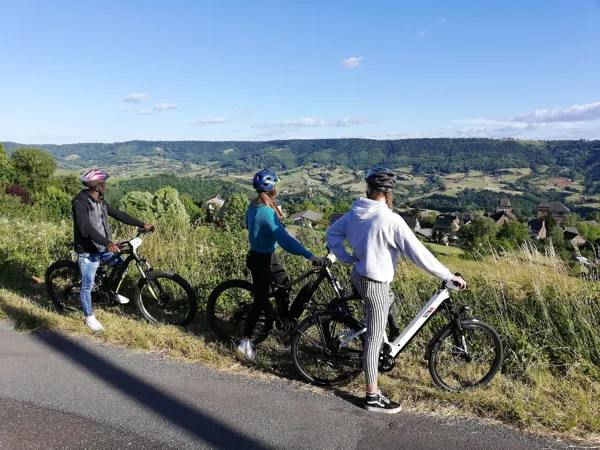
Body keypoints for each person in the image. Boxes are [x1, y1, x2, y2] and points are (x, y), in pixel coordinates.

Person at [326, 167, 466, 414]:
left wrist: (345, 257)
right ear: (389, 193)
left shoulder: (354, 213)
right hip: (376, 283)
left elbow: (332, 232)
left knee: (387, 305)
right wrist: (446, 275)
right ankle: (372, 396)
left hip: (358, 275)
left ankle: (378, 333)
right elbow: (418, 254)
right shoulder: (390, 220)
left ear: (369, 190)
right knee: (372, 339)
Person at [239, 169, 325, 360]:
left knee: (284, 287)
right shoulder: (266, 212)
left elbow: (250, 224)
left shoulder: (254, 205)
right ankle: (245, 342)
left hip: (266, 256)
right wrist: (309, 256)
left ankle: (282, 323)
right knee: (260, 302)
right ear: (272, 189)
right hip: (261, 260)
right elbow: (286, 241)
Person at [73, 169, 154, 331]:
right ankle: (89, 317)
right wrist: (107, 242)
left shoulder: (100, 201)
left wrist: (141, 224)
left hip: (102, 246)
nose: (105, 186)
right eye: (103, 183)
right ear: (95, 186)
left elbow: (118, 214)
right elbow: (85, 228)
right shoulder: (80, 203)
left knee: (120, 266)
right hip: (88, 250)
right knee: (87, 285)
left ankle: (109, 292)